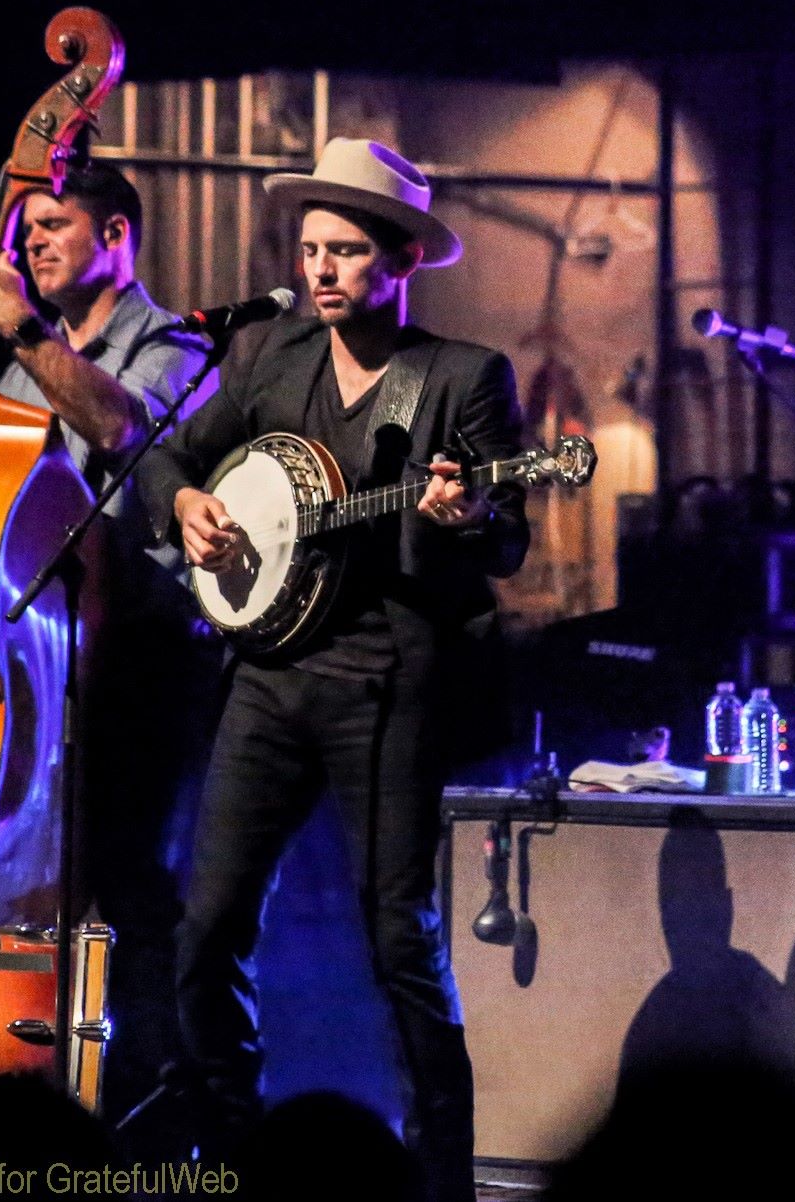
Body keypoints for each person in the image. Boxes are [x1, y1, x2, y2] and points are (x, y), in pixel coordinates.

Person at [137, 138, 530, 1201]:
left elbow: (506, 544)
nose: (320, 268)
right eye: (311, 247)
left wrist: (471, 508)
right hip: (266, 677)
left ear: (399, 262)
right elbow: (170, 456)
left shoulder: (460, 379)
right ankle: (232, 1151)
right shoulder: (271, 353)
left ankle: (438, 1175)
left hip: (386, 681)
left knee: (399, 937)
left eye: (347, 251)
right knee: (209, 922)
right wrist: (190, 506)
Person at [0, 161, 222, 1123]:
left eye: (55, 223)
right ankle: (9, 1089)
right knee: (11, 885)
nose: (33, 243)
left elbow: (121, 425)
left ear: (116, 237)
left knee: (132, 885)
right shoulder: (19, 367)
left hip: (141, 661)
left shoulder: (174, 342)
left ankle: (153, 1112)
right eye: (27, 229)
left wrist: (20, 323)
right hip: (30, 664)